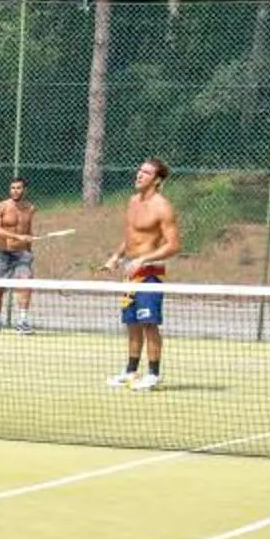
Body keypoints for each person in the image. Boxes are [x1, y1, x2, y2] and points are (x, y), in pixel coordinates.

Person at [106, 156, 181, 390]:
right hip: (131, 275)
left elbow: (173, 245)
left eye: (146, 173)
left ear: (157, 180)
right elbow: (130, 237)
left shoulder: (163, 207)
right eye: (139, 171)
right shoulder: (132, 201)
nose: (139, 175)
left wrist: (142, 259)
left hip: (150, 275)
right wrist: (116, 256)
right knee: (132, 324)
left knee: (149, 324)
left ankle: (154, 375)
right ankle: (131, 372)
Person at [0, 176, 42, 332]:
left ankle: (22, 322)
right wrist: (18, 237)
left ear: (25, 190)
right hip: (4, 254)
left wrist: (29, 246)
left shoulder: (30, 208)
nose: (15, 191)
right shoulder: (1, 207)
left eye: (18, 188)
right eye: (13, 188)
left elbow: (28, 230)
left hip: (23, 255)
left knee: (26, 284)